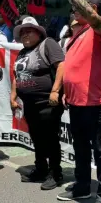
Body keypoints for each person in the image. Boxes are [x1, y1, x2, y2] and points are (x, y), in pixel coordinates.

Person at [48, 0, 101, 203]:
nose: (74, 11)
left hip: (96, 103)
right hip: (76, 103)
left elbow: (93, 17)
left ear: (92, 9)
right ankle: (83, 186)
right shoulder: (78, 34)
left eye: (78, 7)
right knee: (80, 148)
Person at [11, 17, 66, 190]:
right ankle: (41, 168)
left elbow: (62, 67)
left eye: (29, 31)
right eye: (22, 32)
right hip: (29, 104)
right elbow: (17, 76)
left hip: (47, 102)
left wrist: (55, 91)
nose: (25, 34)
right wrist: (13, 96)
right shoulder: (22, 52)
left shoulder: (48, 44)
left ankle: (55, 173)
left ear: (38, 32)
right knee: (37, 138)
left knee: (50, 139)